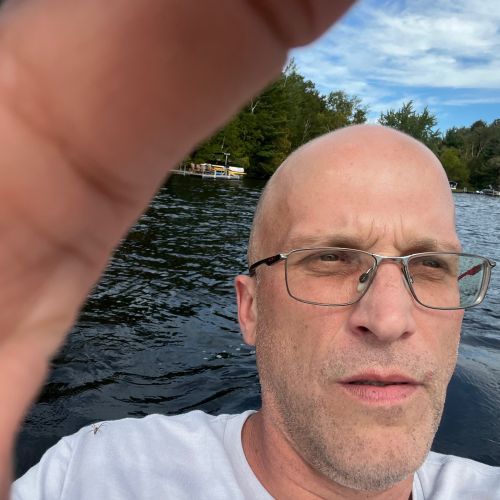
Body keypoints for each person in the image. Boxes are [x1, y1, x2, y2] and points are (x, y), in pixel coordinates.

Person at [1, 2, 499, 500]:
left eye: (431, 265)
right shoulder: (93, 475)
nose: (389, 319)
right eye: (330, 258)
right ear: (251, 309)